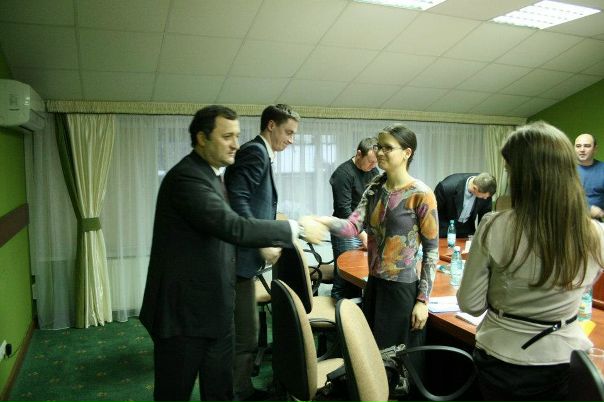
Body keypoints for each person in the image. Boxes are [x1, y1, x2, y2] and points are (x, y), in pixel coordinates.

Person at [138, 105, 326, 402]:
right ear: (202, 138)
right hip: (183, 315)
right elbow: (232, 226)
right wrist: (297, 228)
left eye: (237, 136)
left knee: (221, 391)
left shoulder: (213, 176)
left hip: (216, 307)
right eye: (227, 136)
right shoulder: (187, 179)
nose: (236, 144)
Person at [457, 121, 604, 402]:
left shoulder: (494, 226)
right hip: (565, 360)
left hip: (501, 358)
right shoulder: (596, 233)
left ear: (523, 176)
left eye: (509, 170)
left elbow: (470, 304)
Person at [317, 123, 439, 352]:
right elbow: (352, 226)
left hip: (402, 289)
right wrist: (323, 221)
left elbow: (431, 252)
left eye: (387, 148)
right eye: (379, 147)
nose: (380, 152)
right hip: (374, 285)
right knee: (373, 355)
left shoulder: (421, 194)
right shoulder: (375, 186)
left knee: (396, 360)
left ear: (407, 153)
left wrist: (423, 300)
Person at [224, 103, 300, 402]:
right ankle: (237, 394)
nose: (291, 140)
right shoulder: (255, 152)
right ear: (271, 125)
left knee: (246, 333)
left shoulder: (261, 154)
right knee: (244, 335)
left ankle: (239, 390)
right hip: (237, 260)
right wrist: (262, 242)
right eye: (288, 132)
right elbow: (237, 201)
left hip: (242, 259)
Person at [329, 137, 379, 301]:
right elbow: (343, 209)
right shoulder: (343, 174)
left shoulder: (373, 172)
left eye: (376, 162)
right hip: (345, 229)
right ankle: (337, 307)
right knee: (344, 274)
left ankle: (356, 308)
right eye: (370, 161)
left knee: (361, 272)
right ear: (359, 154)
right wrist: (362, 234)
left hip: (365, 228)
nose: (373, 166)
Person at [434, 172, 496, 238]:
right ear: (475, 188)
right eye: (483, 197)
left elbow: (485, 218)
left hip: (467, 230)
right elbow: (433, 213)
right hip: (445, 229)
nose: (485, 198)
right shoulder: (446, 187)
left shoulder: (485, 188)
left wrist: (481, 238)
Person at [575, 133, 604, 220]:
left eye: (587, 146)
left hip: (595, 223)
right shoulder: (565, 170)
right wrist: (587, 209)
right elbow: (559, 199)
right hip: (569, 220)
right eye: (578, 146)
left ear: (595, 149)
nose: (582, 150)